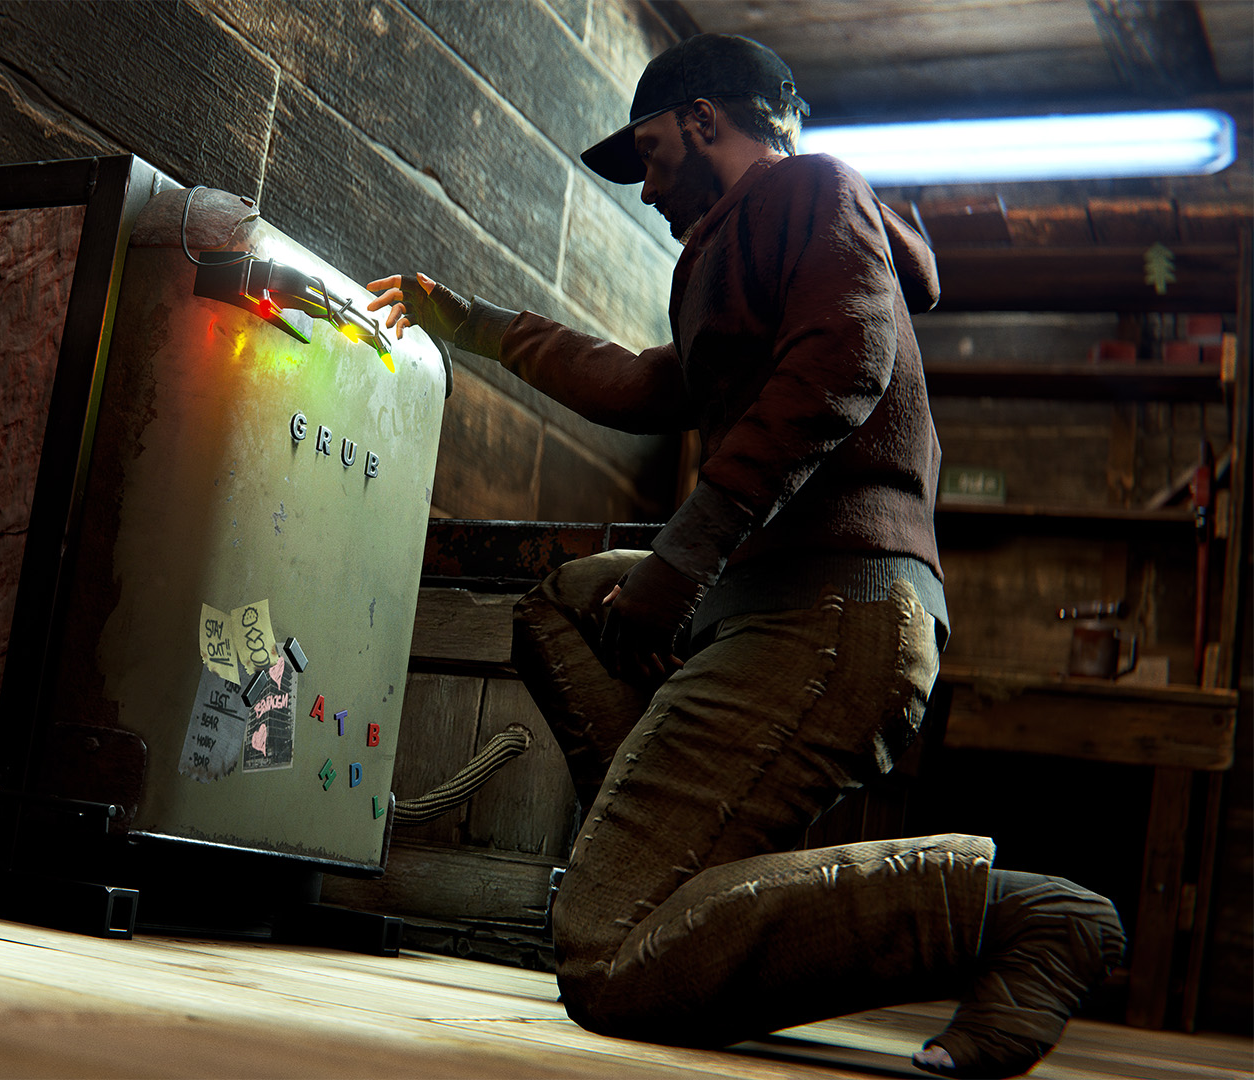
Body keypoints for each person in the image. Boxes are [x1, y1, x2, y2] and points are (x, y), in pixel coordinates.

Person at [367, 33, 1124, 1080]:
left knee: (607, 959)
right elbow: (647, 384)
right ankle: (684, 869)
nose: (647, 191)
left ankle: (1016, 915)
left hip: (833, 612)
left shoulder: (808, 190)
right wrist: (479, 325)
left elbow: (842, 367)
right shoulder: (741, 247)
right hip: (779, 600)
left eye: (650, 156)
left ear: (703, 121)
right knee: (563, 605)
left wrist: (680, 562)